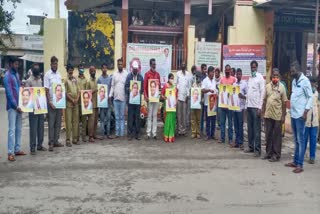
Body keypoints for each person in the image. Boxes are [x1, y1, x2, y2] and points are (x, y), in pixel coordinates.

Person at [285, 62, 313, 173]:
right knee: (295, 140)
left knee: (301, 141)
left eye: (292, 71)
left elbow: (310, 97)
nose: (291, 73)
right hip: (293, 114)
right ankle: (295, 161)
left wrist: (306, 111)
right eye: (291, 71)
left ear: (297, 70)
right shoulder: (294, 81)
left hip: (301, 115)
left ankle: (300, 165)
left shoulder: (305, 81)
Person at [4, 57, 26, 161]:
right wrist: (15, 106)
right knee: (12, 129)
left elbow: (18, 90)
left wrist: (22, 86)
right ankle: (10, 152)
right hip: (13, 108)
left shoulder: (16, 75)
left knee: (18, 129)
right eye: (16, 64)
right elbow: (9, 93)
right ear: (11, 64)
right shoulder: (7, 76)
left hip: (19, 107)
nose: (17, 66)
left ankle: (17, 149)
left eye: (18, 64)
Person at [262, 69, 287, 161]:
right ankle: (268, 153)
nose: (275, 78)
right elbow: (264, 100)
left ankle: (276, 155)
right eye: (273, 76)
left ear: (279, 77)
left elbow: (284, 102)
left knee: (276, 136)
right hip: (268, 115)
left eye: (277, 76)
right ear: (271, 77)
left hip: (277, 116)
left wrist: (283, 116)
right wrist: (263, 113)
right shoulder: (267, 86)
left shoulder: (282, 87)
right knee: (268, 135)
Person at [25, 63, 47, 155]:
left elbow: (42, 92)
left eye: (38, 68)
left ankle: (40, 145)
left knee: (41, 127)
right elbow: (26, 94)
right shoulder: (29, 81)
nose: (37, 70)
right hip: (33, 108)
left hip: (41, 107)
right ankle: (32, 147)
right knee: (33, 128)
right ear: (32, 69)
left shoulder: (40, 80)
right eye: (35, 69)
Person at [245, 60, 265, 157]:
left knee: (257, 129)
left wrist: (260, 107)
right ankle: (250, 147)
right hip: (249, 106)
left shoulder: (260, 78)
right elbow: (249, 93)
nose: (253, 69)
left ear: (257, 68)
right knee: (250, 128)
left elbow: (262, 93)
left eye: (254, 67)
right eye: (251, 67)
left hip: (256, 107)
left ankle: (257, 150)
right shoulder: (250, 78)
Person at [44, 56, 63, 151]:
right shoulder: (47, 75)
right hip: (51, 103)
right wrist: (49, 102)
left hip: (59, 103)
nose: (55, 65)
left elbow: (61, 90)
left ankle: (56, 141)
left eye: (56, 63)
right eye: (54, 63)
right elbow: (46, 90)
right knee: (51, 123)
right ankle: (51, 143)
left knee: (58, 123)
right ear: (51, 64)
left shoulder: (59, 75)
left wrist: (62, 103)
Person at [125, 61, 144, 141]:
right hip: (130, 101)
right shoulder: (129, 77)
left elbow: (142, 89)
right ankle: (130, 134)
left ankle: (137, 134)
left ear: (138, 69)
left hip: (137, 101)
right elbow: (125, 87)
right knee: (130, 117)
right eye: (134, 69)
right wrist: (129, 90)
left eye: (136, 69)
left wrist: (140, 90)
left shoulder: (140, 77)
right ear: (132, 68)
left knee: (137, 118)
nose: (135, 70)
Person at [109, 58, 128, 138]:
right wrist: (110, 95)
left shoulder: (126, 74)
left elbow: (127, 86)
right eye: (119, 64)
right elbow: (112, 86)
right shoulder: (114, 74)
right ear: (117, 65)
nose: (120, 65)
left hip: (123, 99)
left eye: (121, 64)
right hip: (116, 99)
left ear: (123, 65)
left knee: (122, 116)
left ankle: (122, 133)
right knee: (117, 116)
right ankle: (117, 133)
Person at [144, 58, 161, 140]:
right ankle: (148, 133)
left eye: (155, 64)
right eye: (153, 64)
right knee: (149, 116)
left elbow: (159, 86)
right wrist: (146, 96)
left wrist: (159, 94)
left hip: (156, 98)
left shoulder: (157, 74)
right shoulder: (147, 74)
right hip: (150, 99)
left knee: (155, 115)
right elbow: (144, 87)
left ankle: (154, 133)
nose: (154, 65)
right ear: (150, 65)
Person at [219, 64, 236, 144]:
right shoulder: (222, 80)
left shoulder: (234, 79)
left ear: (230, 70)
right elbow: (221, 92)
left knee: (230, 123)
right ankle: (222, 138)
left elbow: (235, 91)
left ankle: (230, 139)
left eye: (228, 70)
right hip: (223, 105)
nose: (227, 71)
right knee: (222, 122)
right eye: (226, 70)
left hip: (230, 105)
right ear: (224, 70)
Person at [231, 68, 247, 149]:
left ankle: (241, 143)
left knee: (240, 126)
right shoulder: (234, 84)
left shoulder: (244, 84)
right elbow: (231, 95)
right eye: (237, 74)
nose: (238, 75)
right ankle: (237, 142)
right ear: (236, 75)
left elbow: (248, 95)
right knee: (236, 126)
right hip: (234, 108)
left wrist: (243, 96)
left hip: (241, 108)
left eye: (240, 74)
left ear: (242, 75)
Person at [65, 64, 80, 147]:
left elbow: (78, 90)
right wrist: (72, 100)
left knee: (76, 121)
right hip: (69, 104)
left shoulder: (75, 79)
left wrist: (77, 99)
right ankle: (68, 140)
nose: (71, 71)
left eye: (72, 70)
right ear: (67, 71)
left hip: (76, 103)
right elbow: (65, 92)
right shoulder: (65, 80)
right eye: (69, 70)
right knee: (68, 122)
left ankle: (75, 139)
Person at [304, 77, 319, 164]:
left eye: (315, 84)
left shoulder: (317, 93)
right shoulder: (306, 93)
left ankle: (312, 157)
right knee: (304, 139)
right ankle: (302, 155)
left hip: (315, 121)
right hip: (306, 120)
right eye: (312, 83)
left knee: (313, 139)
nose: (314, 85)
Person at [86, 66, 102, 142]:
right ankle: (90, 136)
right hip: (91, 104)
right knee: (91, 121)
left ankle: (94, 134)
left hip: (97, 103)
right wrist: (94, 91)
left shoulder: (96, 81)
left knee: (95, 121)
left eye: (94, 71)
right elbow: (86, 93)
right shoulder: (88, 82)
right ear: (89, 72)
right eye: (92, 71)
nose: (93, 72)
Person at [97, 63, 113, 139]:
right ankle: (102, 134)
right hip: (102, 102)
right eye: (103, 68)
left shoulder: (110, 78)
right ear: (101, 69)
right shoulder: (99, 79)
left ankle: (108, 134)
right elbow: (98, 91)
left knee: (109, 118)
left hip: (109, 102)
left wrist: (110, 96)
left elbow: (112, 88)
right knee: (102, 119)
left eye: (106, 68)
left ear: (107, 69)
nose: (104, 69)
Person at [201, 66, 217, 141]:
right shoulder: (205, 80)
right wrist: (209, 90)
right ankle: (207, 134)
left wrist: (216, 93)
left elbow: (216, 90)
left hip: (213, 103)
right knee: (208, 120)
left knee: (213, 119)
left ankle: (212, 134)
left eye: (214, 72)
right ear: (209, 72)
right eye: (212, 72)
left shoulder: (214, 81)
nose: (213, 73)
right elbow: (202, 90)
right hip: (207, 103)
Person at [176, 62, 191, 136]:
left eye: (184, 64)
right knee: (179, 114)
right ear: (180, 66)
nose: (183, 65)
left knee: (184, 114)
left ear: (185, 66)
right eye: (182, 64)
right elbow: (176, 85)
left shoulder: (188, 74)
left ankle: (184, 131)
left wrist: (188, 96)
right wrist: (176, 96)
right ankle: (179, 130)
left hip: (185, 98)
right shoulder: (178, 74)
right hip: (179, 97)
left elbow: (188, 86)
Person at [162, 73, 177, 143]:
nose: (172, 79)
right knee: (167, 120)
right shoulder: (165, 86)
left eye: (173, 78)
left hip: (173, 107)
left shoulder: (174, 86)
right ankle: (166, 136)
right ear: (168, 79)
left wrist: (176, 101)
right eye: (171, 78)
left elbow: (176, 96)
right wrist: (164, 97)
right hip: (167, 106)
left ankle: (171, 136)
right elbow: (162, 95)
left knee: (172, 121)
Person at [77, 64, 88, 142]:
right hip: (77, 102)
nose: (82, 69)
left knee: (84, 121)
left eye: (82, 68)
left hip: (84, 103)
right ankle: (76, 136)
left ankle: (83, 136)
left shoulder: (86, 80)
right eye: (80, 68)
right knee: (77, 120)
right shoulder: (75, 79)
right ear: (78, 69)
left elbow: (87, 91)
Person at [191, 70, 202, 139]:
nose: (198, 78)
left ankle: (198, 133)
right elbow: (191, 91)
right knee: (192, 119)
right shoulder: (193, 83)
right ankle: (193, 132)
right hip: (193, 103)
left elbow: (202, 93)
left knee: (198, 119)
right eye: (197, 76)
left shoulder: (201, 83)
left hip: (199, 103)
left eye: (199, 77)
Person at [200, 63, 208, 134]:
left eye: (206, 69)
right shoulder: (199, 77)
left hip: (206, 98)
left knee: (205, 113)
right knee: (201, 114)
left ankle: (204, 129)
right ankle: (200, 128)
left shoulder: (207, 77)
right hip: (200, 97)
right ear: (201, 69)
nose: (206, 70)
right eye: (204, 69)